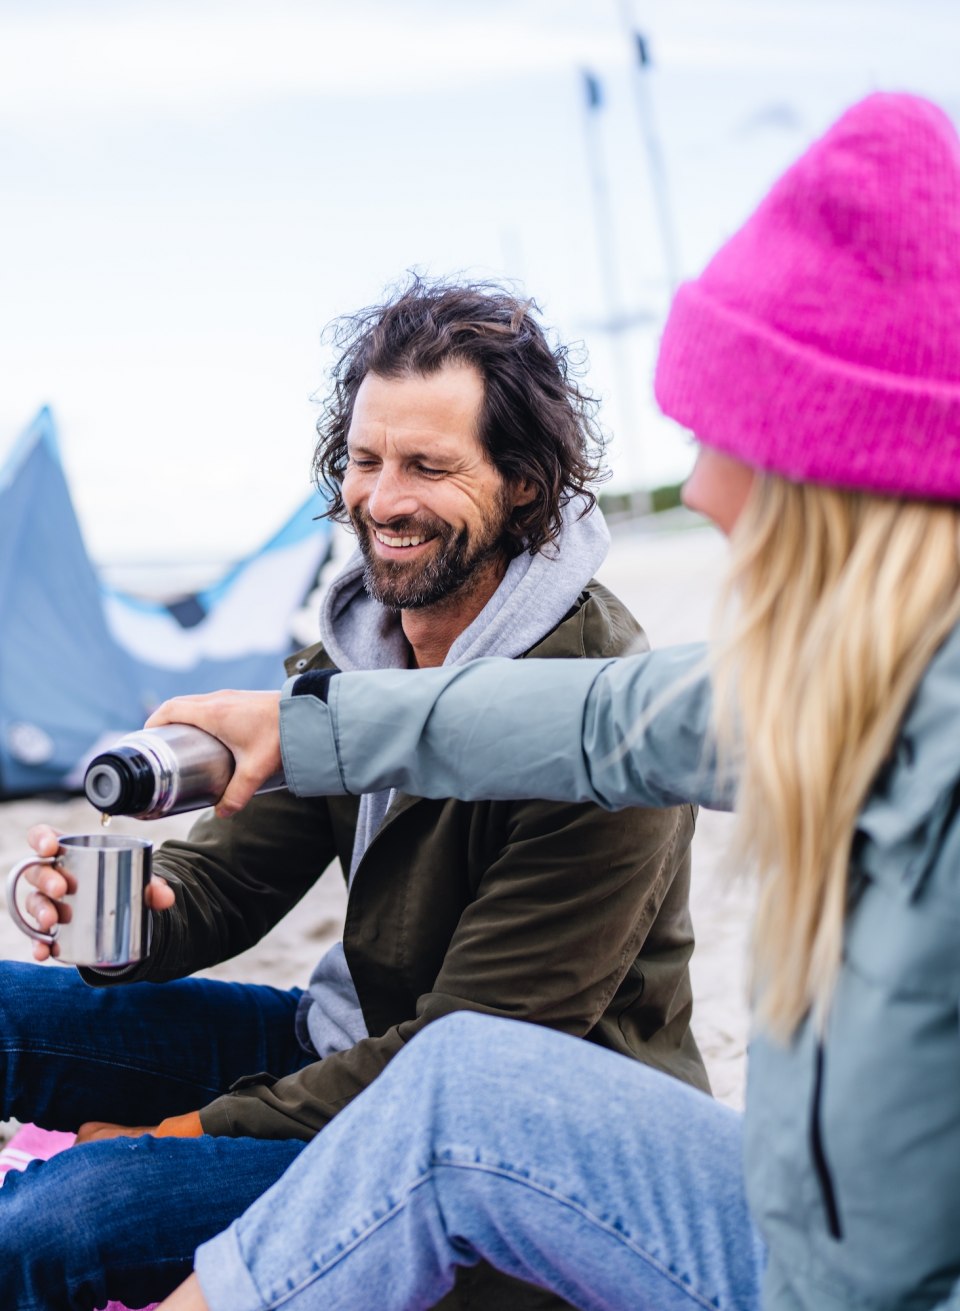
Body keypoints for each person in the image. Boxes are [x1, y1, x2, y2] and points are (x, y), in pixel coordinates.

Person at [151, 92, 960, 1311]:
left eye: (729, 439)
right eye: (368, 463)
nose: (701, 493)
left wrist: (182, 1132)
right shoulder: (846, 682)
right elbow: (589, 724)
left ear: (842, 473)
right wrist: (305, 728)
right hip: (789, 1219)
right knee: (461, 1086)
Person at [0, 279, 704, 1311]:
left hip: (505, 1151)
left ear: (522, 481)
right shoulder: (351, 655)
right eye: (365, 461)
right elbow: (231, 883)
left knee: (60, 1220)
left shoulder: (601, 705)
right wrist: (125, 915)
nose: (381, 499)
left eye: (428, 466)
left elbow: (466, 1063)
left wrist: (180, 1134)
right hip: (341, 1049)